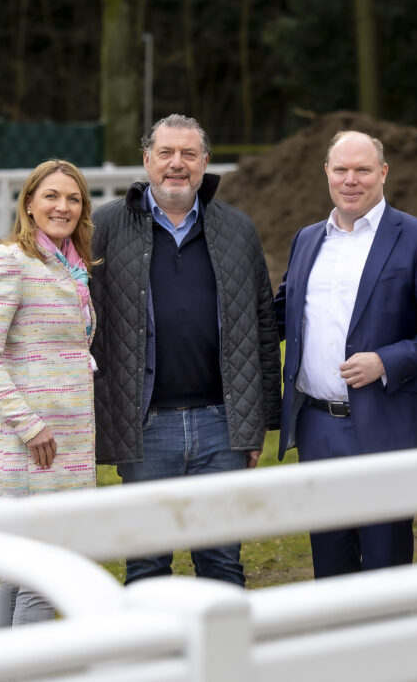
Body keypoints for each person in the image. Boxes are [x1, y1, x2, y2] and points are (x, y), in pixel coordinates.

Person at [90, 114, 280, 588]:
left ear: (205, 163)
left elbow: (261, 326)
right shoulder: (107, 227)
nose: (177, 164)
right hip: (145, 426)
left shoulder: (237, 229)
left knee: (221, 563)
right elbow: (83, 322)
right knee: (148, 565)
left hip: (222, 423)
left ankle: (222, 663)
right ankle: (151, 663)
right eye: (167, 153)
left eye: (189, 154)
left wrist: (255, 422)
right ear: (147, 160)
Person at [275, 130, 417, 578]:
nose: (351, 180)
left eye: (362, 170)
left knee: (385, 564)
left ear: (383, 173)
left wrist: (386, 361)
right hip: (318, 427)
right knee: (330, 564)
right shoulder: (306, 240)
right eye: (341, 169)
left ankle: (389, 649)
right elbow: (281, 314)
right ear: (327, 174)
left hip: (387, 423)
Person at [0, 159, 98, 627]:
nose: (63, 206)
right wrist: (30, 425)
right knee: (43, 575)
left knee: (25, 574)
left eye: (74, 198)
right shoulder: (8, 260)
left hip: (63, 445)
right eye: (52, 196)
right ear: (28, 204)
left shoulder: (69, 268)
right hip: (29, 448)